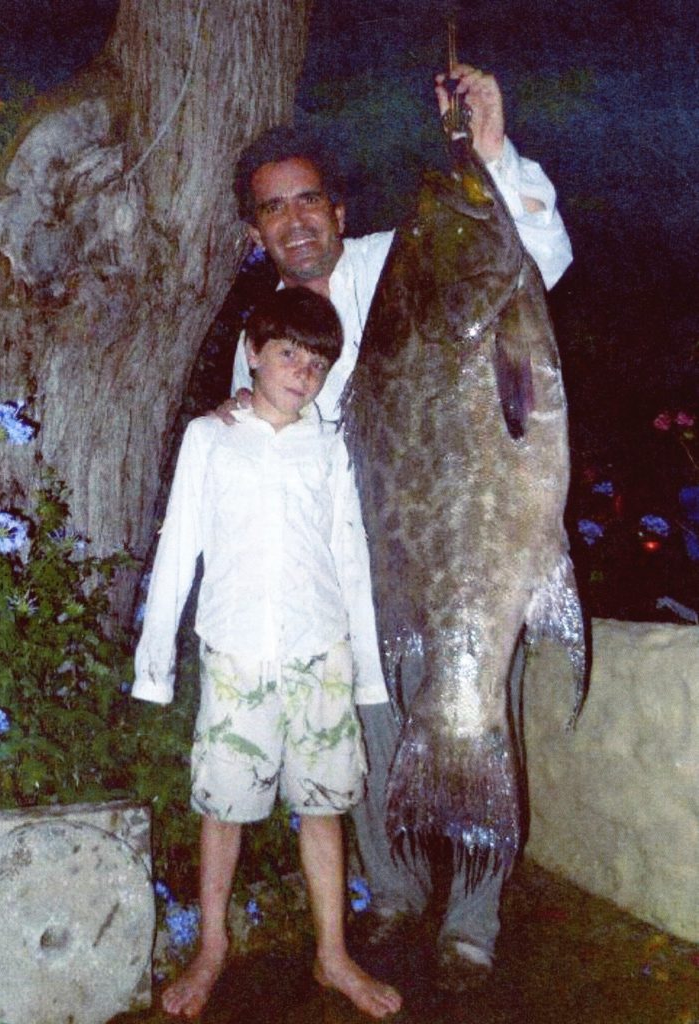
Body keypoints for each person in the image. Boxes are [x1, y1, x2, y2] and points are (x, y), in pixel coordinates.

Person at [221, 64, 574, 987]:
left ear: (338, 210)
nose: (295, 220)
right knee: (373, 742)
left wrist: (488, 150)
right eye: (273, 208)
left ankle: (474, 918)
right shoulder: (256, 338)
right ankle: (396, 893)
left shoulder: (403, 261)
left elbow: (540, 256)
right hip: (348, 579)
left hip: (458, 551)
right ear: (254, 231)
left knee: (475, 714)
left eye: (309, 200)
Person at [133, 287, 402, 1020]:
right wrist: (154, 667)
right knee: (224, 809)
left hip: (321, 654)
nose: (303, 372)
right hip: (238, 654)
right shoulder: (210, 438)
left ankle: (332, 955)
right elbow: (178, 546)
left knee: (324, 808)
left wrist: (366, 672)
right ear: (253, 352)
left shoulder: (331, 445)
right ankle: (212, 946)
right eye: (288, 352)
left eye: (317, 362)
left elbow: (351, 558)